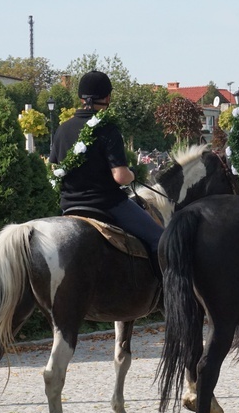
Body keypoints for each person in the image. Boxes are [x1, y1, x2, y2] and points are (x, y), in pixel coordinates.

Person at [49, 70, 164, 272]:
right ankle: (166, 297)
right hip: (106, 205)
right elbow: (120, 177)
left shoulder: (62, 129)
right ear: (108, 97)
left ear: (80, 97)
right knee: (161, 240)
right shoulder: (107, 128)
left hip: (69, 206)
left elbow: (55, 168)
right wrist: (134, 174)